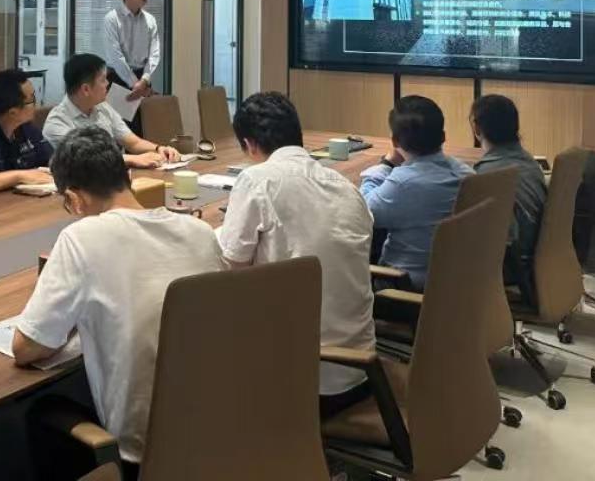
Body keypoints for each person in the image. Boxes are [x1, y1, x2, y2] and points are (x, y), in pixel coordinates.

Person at [12, 126, 221, 475]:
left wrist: (72, 322)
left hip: (143, 455)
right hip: (218, 433)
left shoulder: (82, 238)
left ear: (74, 199)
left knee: (41, 411)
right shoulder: (200, 233)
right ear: (127, 178)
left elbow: (26, 348)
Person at [217, 92, 376, 419]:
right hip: (362, 370)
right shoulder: (346, 186)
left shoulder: (256, 180)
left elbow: (230, 268)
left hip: (298, 380)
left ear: (249, 144)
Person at [359, 95, 471, 290]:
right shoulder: (466, 174)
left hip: (405, 286)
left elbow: (360, 210)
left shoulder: (403, 184)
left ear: (395, 141)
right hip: (457, 282)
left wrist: (386, 164)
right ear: (443, 136)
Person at [42, 53, 177, 169]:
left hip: (115, 178)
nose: (107, 84)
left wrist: (159, 149)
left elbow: (133, 142)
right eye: (103, 80)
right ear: (86, 89)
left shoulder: (103, 107)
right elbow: (86, 158)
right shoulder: (57, 122)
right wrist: (132, 159)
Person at [470, 94, 548, 285]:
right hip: (534, 261)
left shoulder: (487, 175)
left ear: (476, 128)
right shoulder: (530, 163)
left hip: (510, 268)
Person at [102, 0, 161, 136]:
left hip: (143, 78)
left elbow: (154, 53)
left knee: (144, 129)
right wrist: (135, 84)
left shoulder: (150, 20)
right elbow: (115, 56)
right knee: (121, 132)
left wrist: (145, 80)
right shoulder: (112, 19)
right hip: (119, 79)